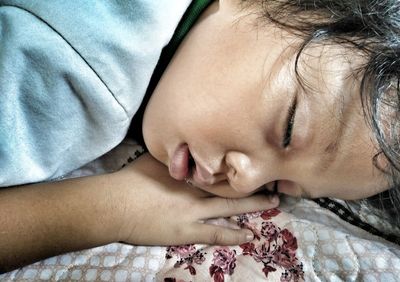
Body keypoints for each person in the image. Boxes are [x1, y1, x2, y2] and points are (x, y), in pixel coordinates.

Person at [0, 0, 398, 272]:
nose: (245, 180)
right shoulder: (84, 76)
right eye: (289, 129)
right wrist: (110, 208)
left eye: (276, 184)